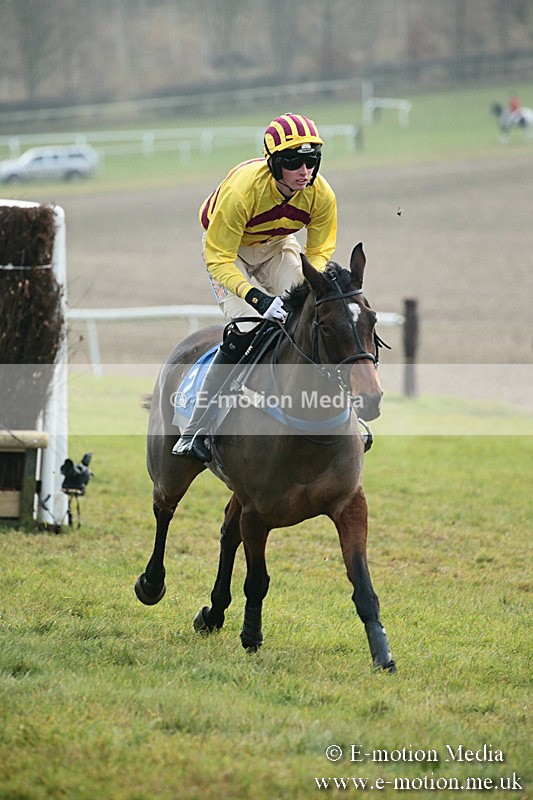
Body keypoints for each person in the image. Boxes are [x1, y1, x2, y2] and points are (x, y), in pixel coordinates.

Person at [173, 112, 338, 463]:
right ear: (274, 164)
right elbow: (218, 258)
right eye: (294, 162)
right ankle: (196, 428)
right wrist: (257, 299)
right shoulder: (242, 191)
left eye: (312, 161)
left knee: (310, 312)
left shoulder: (321, 195)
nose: (304, 170)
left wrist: (312, 284)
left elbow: (320, 251)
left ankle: (340, 410)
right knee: (248, 327)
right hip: (229, 253)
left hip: (278, 246)